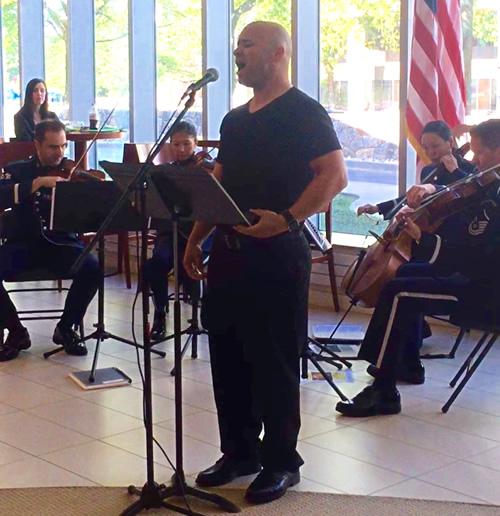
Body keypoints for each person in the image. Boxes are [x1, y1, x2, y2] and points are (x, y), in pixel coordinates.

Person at [183, 21, 347, 504]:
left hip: (277, 255)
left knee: (273, 362)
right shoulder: (235, 120)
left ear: (277, 54)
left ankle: (280, 462)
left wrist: (289, 220)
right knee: (228, 358)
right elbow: (220, 182)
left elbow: (334, 175)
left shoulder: (304, 112)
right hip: (229, 258)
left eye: (246, 45)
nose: (237, 52)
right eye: (236, 45)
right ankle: (238, 452)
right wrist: (197, 239)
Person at [336, 118, 500, 418]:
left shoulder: (494, 199)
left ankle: (384, 390)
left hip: (485, 289)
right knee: (402, 274)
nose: (474, 162)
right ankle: (406, 362)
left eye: (480, 154)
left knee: (400, 290)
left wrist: (421, 238)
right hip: (471, 273)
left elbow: (469, 256)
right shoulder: (485, 189)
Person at [0, 119, 101, 361]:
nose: (60, 153)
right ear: (37, 144)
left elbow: (91, 214)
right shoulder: (17, 170)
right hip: (23, 243)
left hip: (62, 245)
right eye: (53, 147)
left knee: (92, 266)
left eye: (64, 146)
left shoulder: (72, 174)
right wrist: (36, 184)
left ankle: (66, 327)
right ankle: (16, 331)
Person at [143, 121, 213, 342]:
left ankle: (204, 312)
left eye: (186, 144)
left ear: (196, 142)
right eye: (176, 144)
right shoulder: (167, 172)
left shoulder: (207, 168)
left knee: (196, 257)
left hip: (203, 233)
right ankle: (160, 313)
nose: (182, 149)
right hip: (172, 232)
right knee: (155, 264)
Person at [357, 120, 476, 219]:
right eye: (425, 148)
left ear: (450, 142)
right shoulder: (427, 170)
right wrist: (377, 208)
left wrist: (455, 170)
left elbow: (475, 192)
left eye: (435, 146)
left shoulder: (468, 168)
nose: (431, 153)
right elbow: (410, 198)